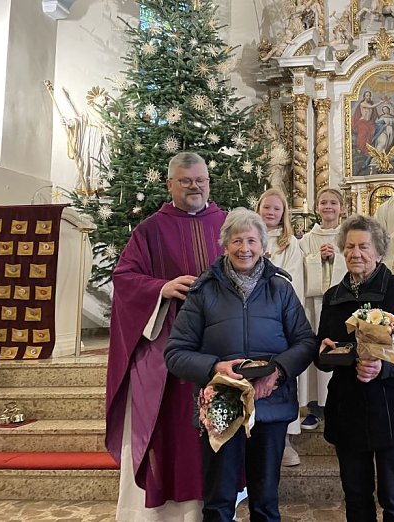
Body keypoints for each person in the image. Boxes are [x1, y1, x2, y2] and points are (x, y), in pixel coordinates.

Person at [165, 208, 317, 522]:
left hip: (269, 403)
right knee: (219, 500)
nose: (244, 248)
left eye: (251, 240)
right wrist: (214, 369)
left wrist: (277, 373)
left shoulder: (281, 289)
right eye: (236, 240)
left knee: (265, 500)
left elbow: (305, 342)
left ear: (263, 246)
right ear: (225, 245)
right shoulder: (203, 291)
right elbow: (176, 353)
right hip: (221, 404)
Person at [105, 152, 226, 522]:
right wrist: (161, 288)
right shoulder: (150, 229)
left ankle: (217, 502)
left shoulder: (225, 224)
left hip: (219, 346)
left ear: (209, 181)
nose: (195, 187)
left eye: (201, 180)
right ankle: (171, 511)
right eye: (186, 180)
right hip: (167, 349)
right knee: (173, 427)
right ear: (170, 184)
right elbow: (124, 277)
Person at [316, 214, 394, 521]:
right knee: (355, 495)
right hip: (347, 405)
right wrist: (327, 353)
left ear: (379, 252)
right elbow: (322, 354)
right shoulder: (332, 297)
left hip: (392, 403)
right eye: (350, 247)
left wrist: (384, 367)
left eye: (364, 247)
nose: (356, 253)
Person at [255, 188, 306, 466]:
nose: (271, 212)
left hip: (278, 317)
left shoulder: (290, 244)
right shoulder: (249, 238)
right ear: (258, 208)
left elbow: (292, 281)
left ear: (284, 213)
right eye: (267, 207)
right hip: (250, 317)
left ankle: (285, 439)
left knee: (281, 374)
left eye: (277, 209)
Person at [298, 188, 348, 430]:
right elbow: (299, 270)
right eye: (323, 203)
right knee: (315, 348)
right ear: (317, 207)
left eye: (333, 203)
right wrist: (317, 258)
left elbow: (356, 261)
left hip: (341, 303)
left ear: (342, 207)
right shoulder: (307, 239)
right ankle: (315, 407)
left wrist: (336, 258)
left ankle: (339, 404)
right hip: (314, 305)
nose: (328, 207)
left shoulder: (348, 235)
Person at [352, 91, 389, 156]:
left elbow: (374, 112)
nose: (368, 97)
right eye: (367, 95)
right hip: (362, 122)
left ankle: (367, 148)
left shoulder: (371, 103)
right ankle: (360, 148)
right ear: (364, 97)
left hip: (369, 122)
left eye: (369, 95)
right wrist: (380, 102)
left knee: (372, 132)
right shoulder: (362, 104)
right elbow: (371, 107)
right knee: (364, 132)